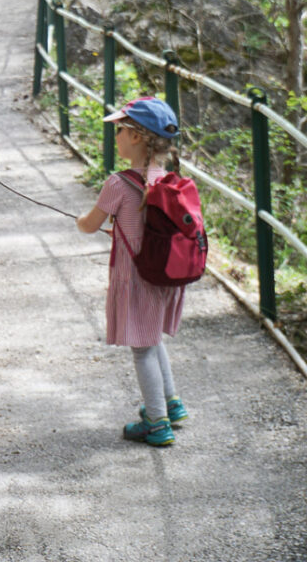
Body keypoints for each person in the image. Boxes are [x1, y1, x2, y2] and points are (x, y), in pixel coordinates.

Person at [76, 96, 188, 447]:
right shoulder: (168, 178)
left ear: (137, 137)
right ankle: (171, 403)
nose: (116, 136)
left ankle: (156, 422)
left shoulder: (119, 183)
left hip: (137, 278)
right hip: (164, 275)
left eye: (120, 129)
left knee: (141, 347)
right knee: (151, 335)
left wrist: (83, 219)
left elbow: (88, 226)